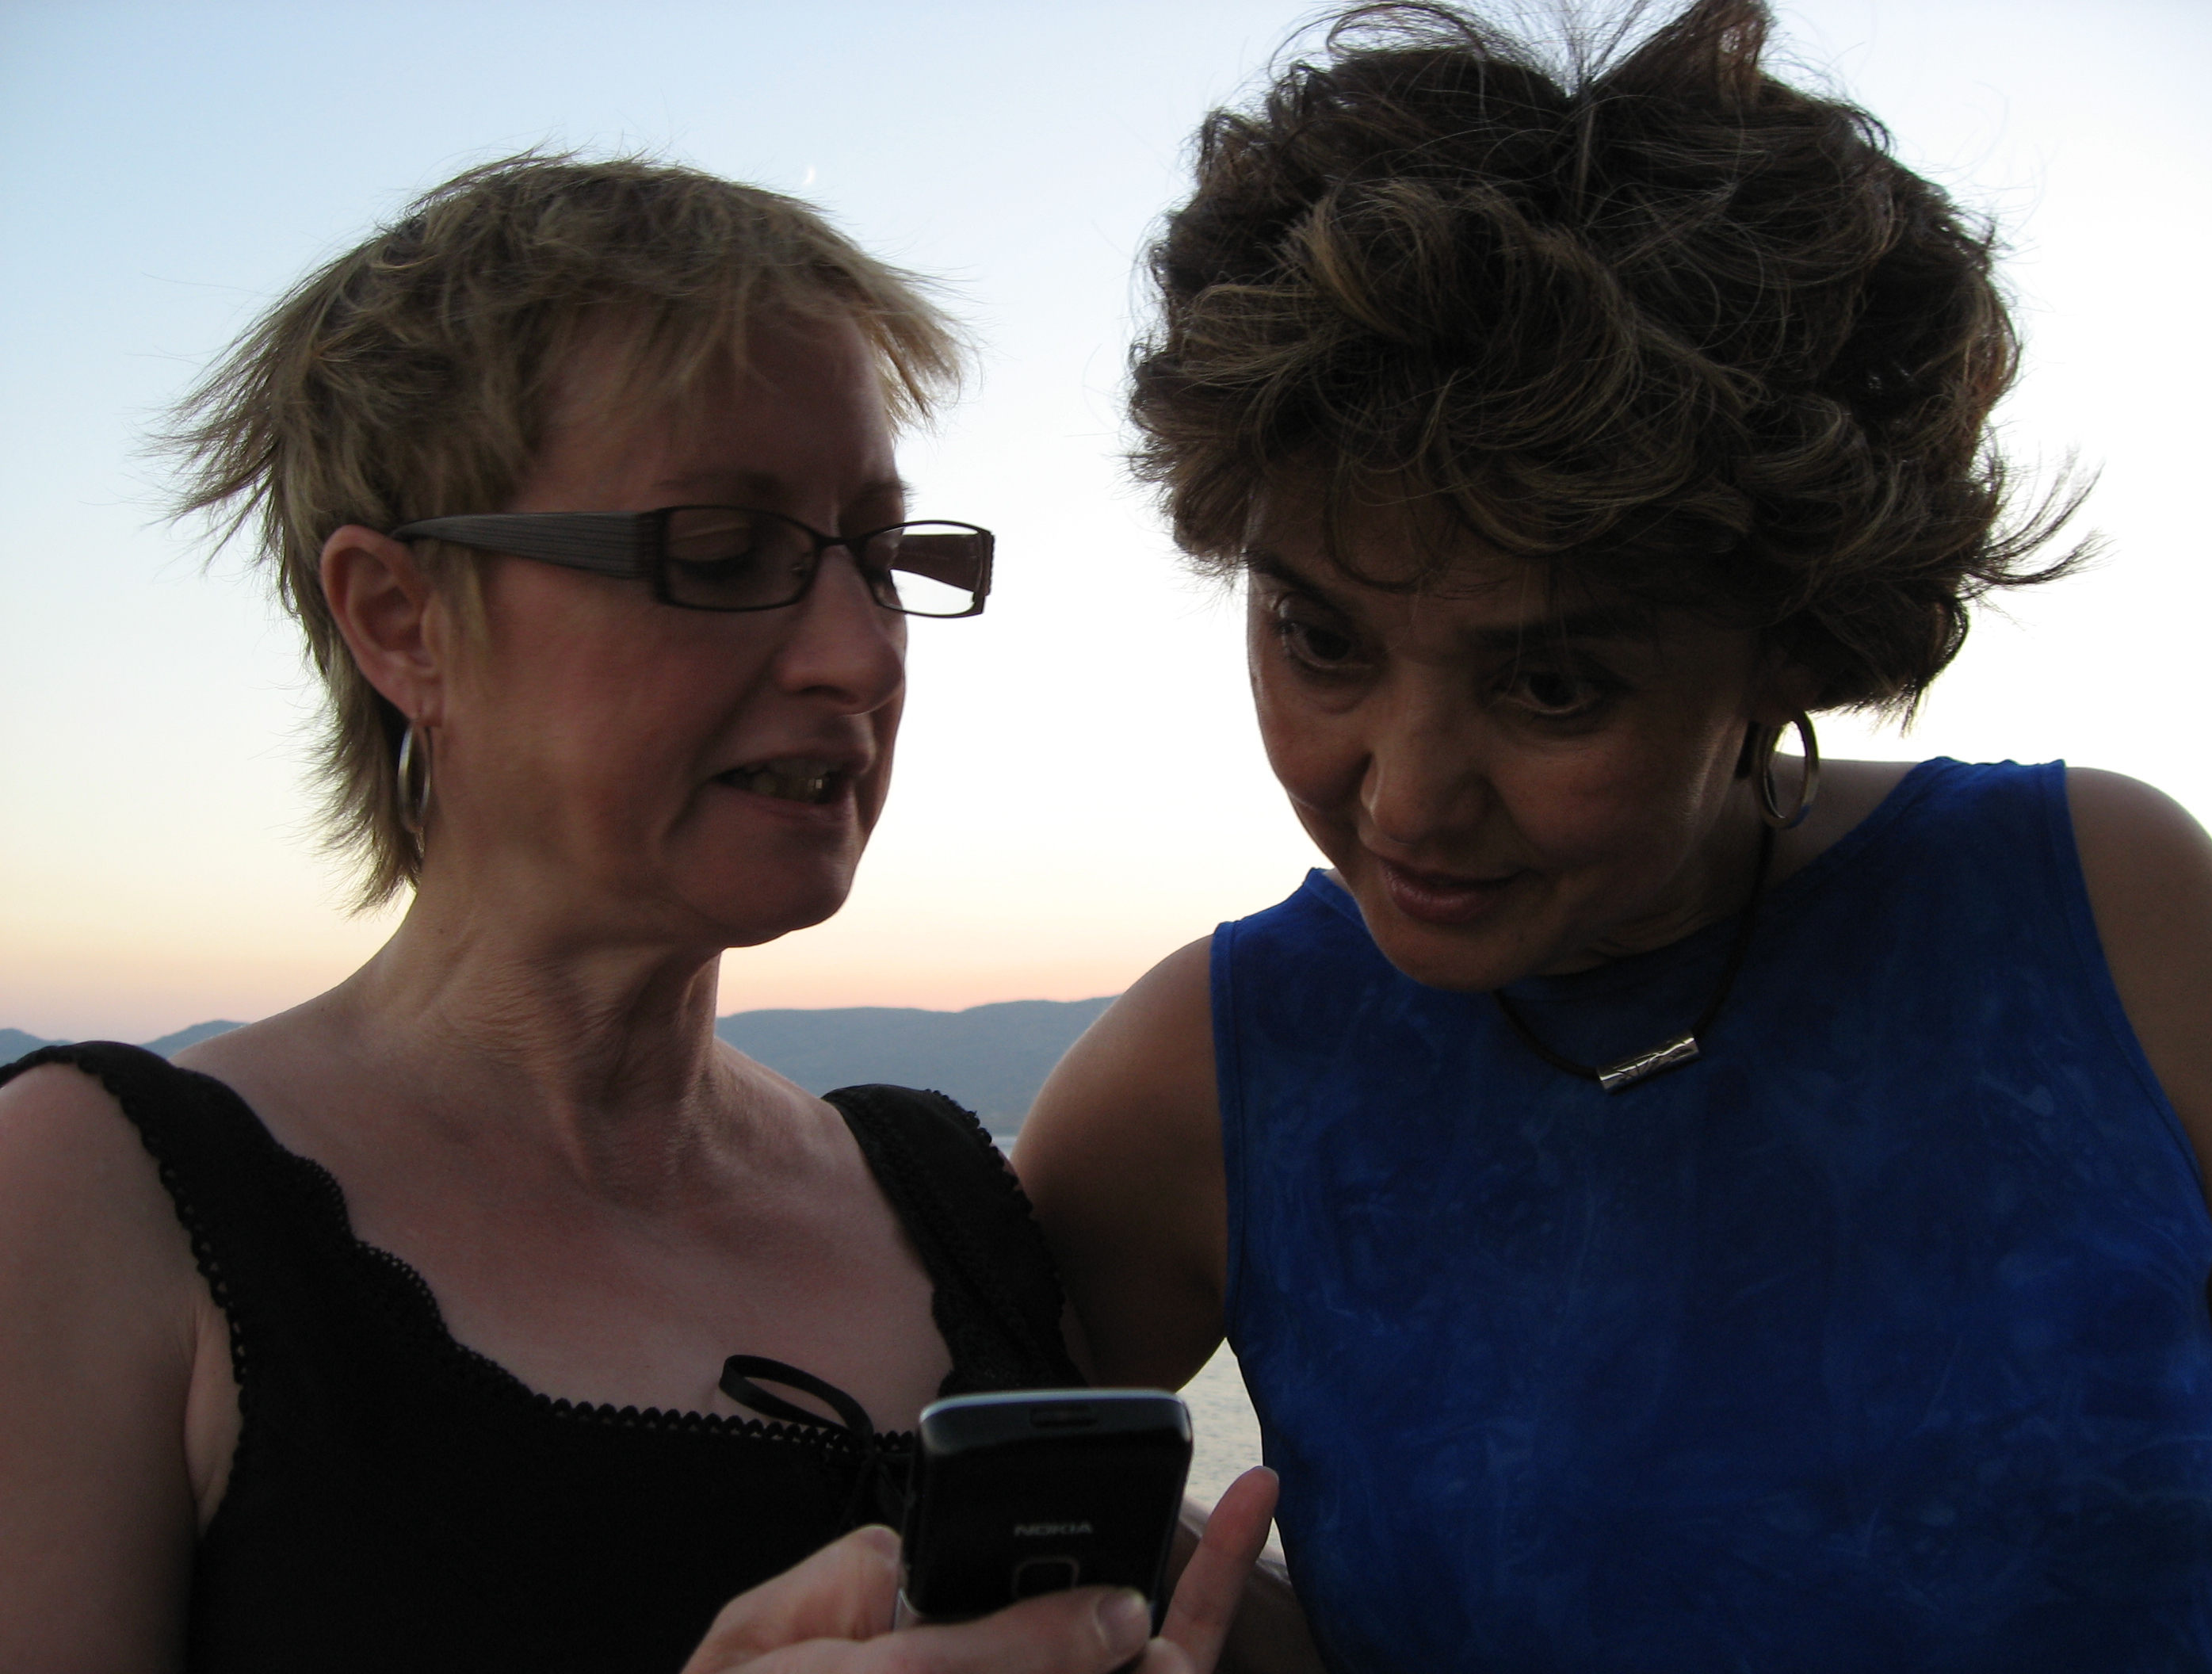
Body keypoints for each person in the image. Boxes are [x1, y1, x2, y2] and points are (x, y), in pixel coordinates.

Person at [1013, 2, 2212, 1668]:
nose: (1404, 797)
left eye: (1552, 685)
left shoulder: (2109, 912)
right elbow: (943, 1508)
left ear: (1793, 645)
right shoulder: (1206, 1084)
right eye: (1320, 639)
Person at [0, 154, 1272, 1673]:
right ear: (401, 620)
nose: (862, 655)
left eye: (881, 559)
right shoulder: (95, 1198)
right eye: (723, 556)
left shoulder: (951, 1203)